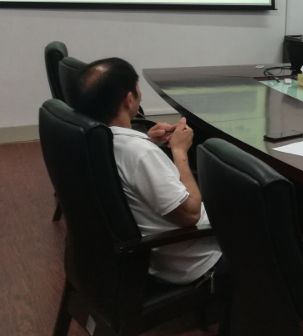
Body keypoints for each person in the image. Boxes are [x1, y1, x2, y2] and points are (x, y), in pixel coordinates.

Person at [72, 57, 222, 285]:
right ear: (129, 99)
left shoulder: (96, 139)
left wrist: (149, 140)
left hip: (152, 251)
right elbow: (190, 214)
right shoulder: (139, 154)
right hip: (195, 259)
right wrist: (179, 152)